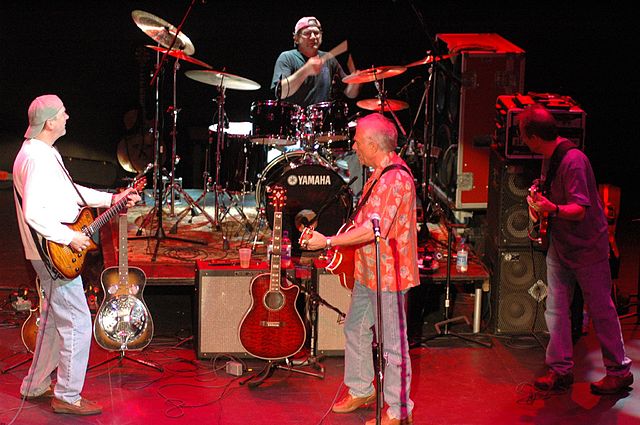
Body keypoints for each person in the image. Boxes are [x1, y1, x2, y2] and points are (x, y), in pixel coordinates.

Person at [13, 94, 141, 415]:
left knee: (56, 322)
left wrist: (111, 199)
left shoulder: (41, 153)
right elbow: (33, 213)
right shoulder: (37, 159)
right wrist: (68, 238)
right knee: (79, 323)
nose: (68, 117)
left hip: (47, 253)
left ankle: (36, 384)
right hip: (53, 254)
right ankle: (68, 396)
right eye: (62, 113)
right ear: (49, 122)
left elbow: (73, 193)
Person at [301, 113, 417, 425]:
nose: (353, 145)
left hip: (389, 274)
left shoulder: (395, 180)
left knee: (393, 345)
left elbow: (372, 230)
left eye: (357, 141)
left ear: (372, 143)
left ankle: (399, 409)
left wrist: (328, 243)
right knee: (354, 327)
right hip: (369, 271)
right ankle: (362, 389)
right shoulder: (378, 173)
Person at [523, 104, 633, 394]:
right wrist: (538, 195)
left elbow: (580, 209)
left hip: (587, 249)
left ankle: (619, 371)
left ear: (532, 137)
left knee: (601, 310)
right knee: (556, 310)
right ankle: (560, 369)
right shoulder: (551, 157)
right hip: (562, 246)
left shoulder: (573, 160)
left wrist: (552, 208)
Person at [271, 16, 360, 108]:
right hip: (293, 119)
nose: (313, 37)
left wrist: (356, 81)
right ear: (296, 38)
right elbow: (281, 93)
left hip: (321, 119)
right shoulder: (287, 57)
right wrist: (305, 70)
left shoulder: (329, 59)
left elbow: (350, 94)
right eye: (307, 33)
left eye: (316, 33)